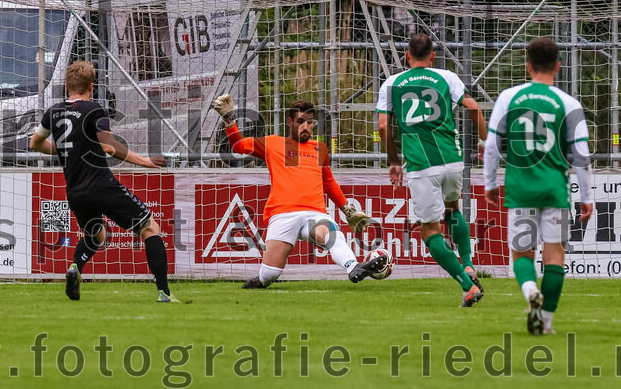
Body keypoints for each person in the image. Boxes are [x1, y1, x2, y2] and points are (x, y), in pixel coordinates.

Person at [29, 60, 176, 302]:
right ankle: (164, 293)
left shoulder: (53, 112)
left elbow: (35, 143)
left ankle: (75, 267)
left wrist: (68, 149)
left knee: (96, 235)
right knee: (150, 228)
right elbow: (112, 146)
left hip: (76, 192)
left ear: (66, 85)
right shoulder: (94, 109)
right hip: (102, 185)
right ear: (91, 85)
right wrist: (145, 161)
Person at [212, 95, 385, 287]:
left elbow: (328, 183)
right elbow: (238, 146)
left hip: (314, 213)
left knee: (331, 233)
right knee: (271, 273)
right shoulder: (273, 143)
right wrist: (229, 120)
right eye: (301, 122)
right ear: (290, 122)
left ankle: (353, 267)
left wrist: (348, 210)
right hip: (282, 214)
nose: (306, 127)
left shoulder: (320, 149)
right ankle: (261, 280)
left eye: (310, 123)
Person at [483, 37, 594, 335]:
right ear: (558, 66)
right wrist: (586, 197)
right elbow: (582, 155)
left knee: (521, 254)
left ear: (527, 66)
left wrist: (490, 183)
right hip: (554, 189)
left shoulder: (509, 97)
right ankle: (545, 321)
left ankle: (531, 290)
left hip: (520, 189)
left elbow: (492, 146)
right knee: (555, 255)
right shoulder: (568, 103)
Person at [376, 33, 487, 307]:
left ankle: (466, 284)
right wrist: (484, 142)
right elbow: (473, 107)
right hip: (452, 159)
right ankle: (469, 263)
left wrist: (393, 160)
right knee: (453, 209)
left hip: (423, 165)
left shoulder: (392, 83)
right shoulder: (446, 76)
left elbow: (382, 127)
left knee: (429, 231)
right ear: (433, 56)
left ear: (406, 56)